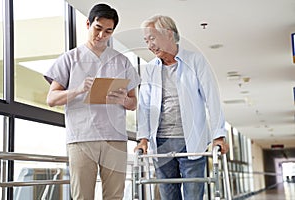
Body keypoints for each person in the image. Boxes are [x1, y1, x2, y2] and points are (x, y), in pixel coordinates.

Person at [44, 3, 141, 200]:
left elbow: (133, 103)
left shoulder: (122, 61)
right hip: (81, 137)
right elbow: (51, 99)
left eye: (108, 31)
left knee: (115, 196)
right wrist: (78, 89)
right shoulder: (70, 59)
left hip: (114, 138)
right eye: (98, 28)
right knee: (82, 196)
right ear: (88, 24)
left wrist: (124, 100)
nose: (101, 35)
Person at [134, 15, 229, 200]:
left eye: (152, 38)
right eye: (146, 41)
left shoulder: (195, 61)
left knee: (193, 195)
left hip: (191, 141)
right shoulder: (150, 68)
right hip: (160, 142)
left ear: (169, 34)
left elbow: (212, 99)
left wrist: (219, 136)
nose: (149, 45)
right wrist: (143, 139)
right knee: (168, 196)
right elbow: (144, 106)